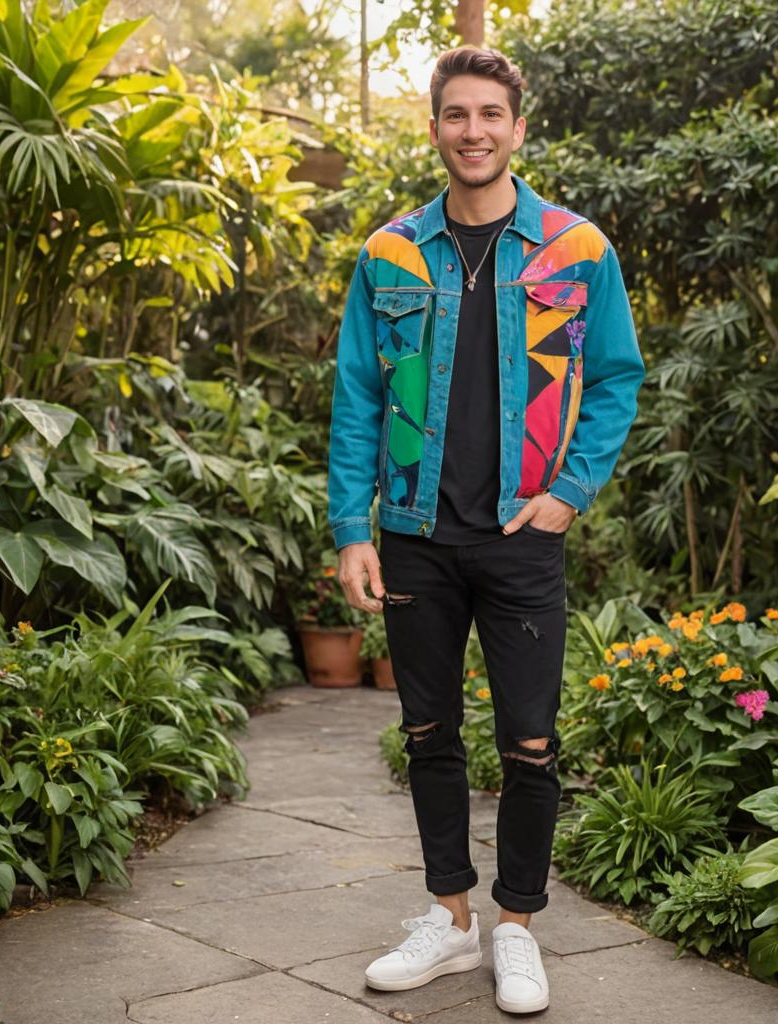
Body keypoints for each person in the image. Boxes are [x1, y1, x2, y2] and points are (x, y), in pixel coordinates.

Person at [326, 45, 644, 1015]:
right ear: (434, 128)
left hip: (520, 540)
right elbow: (356, 395)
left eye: (489, 115)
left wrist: (569, 493)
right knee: (429, 737)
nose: (473, 131)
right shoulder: (388, 253)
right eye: (455, 115)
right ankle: (451, 920)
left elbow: (619, 376)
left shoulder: (575, 250)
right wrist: (352, 526)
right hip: (416, 532)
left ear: (516, 125)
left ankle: (516, 928)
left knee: (530, 743)